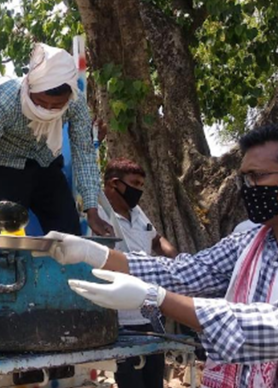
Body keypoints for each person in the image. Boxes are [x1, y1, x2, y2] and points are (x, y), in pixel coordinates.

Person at [46, 119, 278, 387]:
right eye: (245, 177)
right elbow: (186, 272)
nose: (247, 187)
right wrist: (94, 254)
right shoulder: (251, 242)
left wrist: (157, 299)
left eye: (258, 177)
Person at [0, 43, 113, 236]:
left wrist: (92, 211)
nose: (46, 110)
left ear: (68, 97)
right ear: (29, 88)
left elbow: (84, 154)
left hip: (47, 164)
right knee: (5, 239)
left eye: (55, 106)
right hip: (5, 167)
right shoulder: (4, 101)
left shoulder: (76, 102)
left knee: (69, 235)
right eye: (40, 102)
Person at [88, 158, 177, 388]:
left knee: (154, 380)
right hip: (121, 320)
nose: (139, 190)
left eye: (141, 184)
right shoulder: (98, 218)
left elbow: (156, 240)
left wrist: (176, 259)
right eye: (135, 183)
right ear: (114, 184)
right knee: (131, 382)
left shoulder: (137, 212)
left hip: (150, 315)